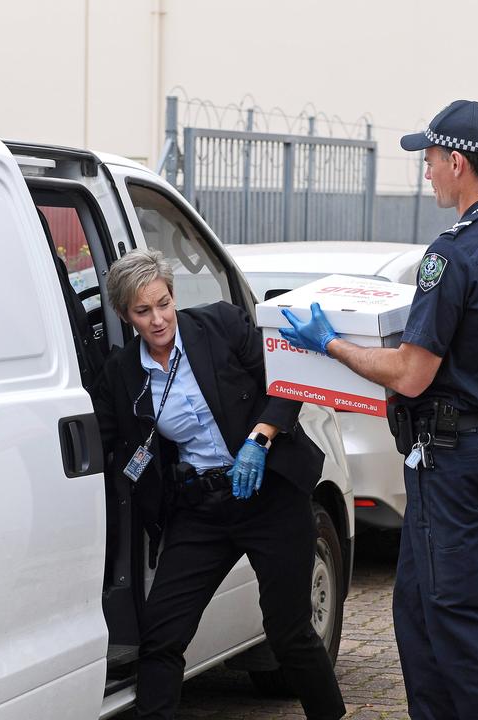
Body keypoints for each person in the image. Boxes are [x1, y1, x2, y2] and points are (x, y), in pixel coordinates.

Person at [282, 100, 478, 720]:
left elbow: (411, 373)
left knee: (453, 611)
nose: (427, 171)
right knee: (416, 604)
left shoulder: (451, 254)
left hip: (450, 456)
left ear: (457, 162)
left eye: (430, 159)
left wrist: (330, 344)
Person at [91, 248, 346, 720]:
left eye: (163, 303)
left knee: (289, 630)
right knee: (162, 635)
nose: (158, 319)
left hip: (268, 493)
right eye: (143, 311)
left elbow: (286, 381)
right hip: (201, 509)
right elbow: (104, 441)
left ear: (173, 295)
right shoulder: (123, 372)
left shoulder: (220, 326)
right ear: (126, 315)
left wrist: (260, 438)